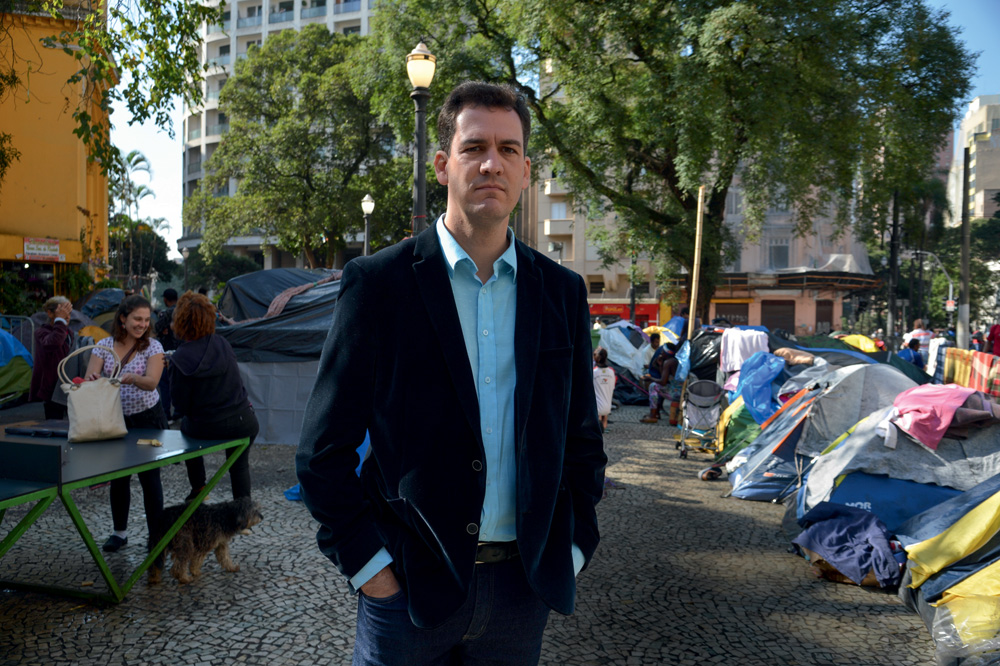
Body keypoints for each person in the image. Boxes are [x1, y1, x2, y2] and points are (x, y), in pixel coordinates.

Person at [296, 81, 607, 666]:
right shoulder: (378, 284)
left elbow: (581, 443)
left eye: (509, 150)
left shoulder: (561, 293)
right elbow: (321, 453)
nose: (492, 163)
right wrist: (371, 570)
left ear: (526, 170)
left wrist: (569, 551)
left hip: (522, 594)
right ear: (443, 164)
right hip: (408, 595)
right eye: (474, 148)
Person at [84, 295, 166, 555]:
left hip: (147, 417)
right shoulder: (103, 345)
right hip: (114, 418)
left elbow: (152, 381)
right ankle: (119, 533)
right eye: (137, 319)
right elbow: (88, 378)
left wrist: (132, 378)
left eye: (146, 320)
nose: (142, 324)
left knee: (150, 478)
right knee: (119, 477)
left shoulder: (153, 347)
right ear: (123, 318)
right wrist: (94, 378)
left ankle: (156, 536)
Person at [169, 291, 258, 502]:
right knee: (239, 463)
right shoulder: (222, 344)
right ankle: (244, 512)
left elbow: (180, 405)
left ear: (180, 321)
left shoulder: (179, 357)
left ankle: (200, 488)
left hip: (206, 425)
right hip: (243, 420)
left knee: (185, 430)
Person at [29, 296, 74, 420]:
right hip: (51, 387)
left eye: (69, 313)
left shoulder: (68, 332)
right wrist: (60, 320)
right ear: (50, 313)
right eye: (63, 313)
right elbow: (53, 343)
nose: (67, 317)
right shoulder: (41, 332)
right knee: (54, 423)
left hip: (67, 383)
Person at [154, 288, 180, 419]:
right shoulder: (183, 311)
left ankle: (166, 414)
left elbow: (157, 328)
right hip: (183, 352)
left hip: (168, 352)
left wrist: (162, 330)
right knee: (179, 382)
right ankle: (179, 413)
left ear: (165, 299)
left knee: (164, 383)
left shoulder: (168, 312)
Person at [640, 343, 681, 424]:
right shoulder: (673, 361)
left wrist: (650, 378)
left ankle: (653, 415)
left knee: (653, 386)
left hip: (677, 393)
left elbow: (662, 382)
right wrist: (660, 365)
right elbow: (664, 377)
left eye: (662, 351)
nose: (661, 353)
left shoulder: (668, 362)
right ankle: (656, 412)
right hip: (679, 391)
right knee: (657, 386)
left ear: (667, 353)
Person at [593, 347, 616, 432]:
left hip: (597, 407)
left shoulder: (594, 372)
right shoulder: (611, 372)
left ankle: (598, 428)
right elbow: (613, 386)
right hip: (607, 407)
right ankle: (604, 426)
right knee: (604, 415)